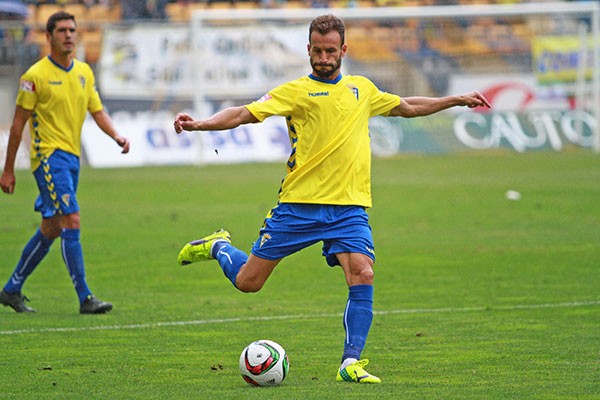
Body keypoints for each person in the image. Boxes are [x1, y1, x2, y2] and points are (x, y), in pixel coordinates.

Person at [173, 14, 490, 383]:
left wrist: (456, 100)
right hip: (298, 206)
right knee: (248, 282)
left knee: (363, 273)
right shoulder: (295, 91)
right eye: (317, 51)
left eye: (330, 51)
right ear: (308, 50)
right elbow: (244, 112)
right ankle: (218, 246)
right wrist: (200, 124)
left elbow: (407, 106)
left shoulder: (362, 89)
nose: (323, 58)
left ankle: (350, 362)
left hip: (349, 209)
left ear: (343, 50)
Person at [0, 11, 130, 314]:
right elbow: (18, 124)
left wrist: (116, 136)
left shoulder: (84, 72)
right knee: (72, 220)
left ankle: (11, 289)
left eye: (72, 30)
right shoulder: (34, 77)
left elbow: (97, 111)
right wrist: (7, 169)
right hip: (47, 157)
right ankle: (85, 297)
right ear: (49, 37)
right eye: (61, 30)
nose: (68, 35)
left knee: (51, 228)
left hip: (71, 159)